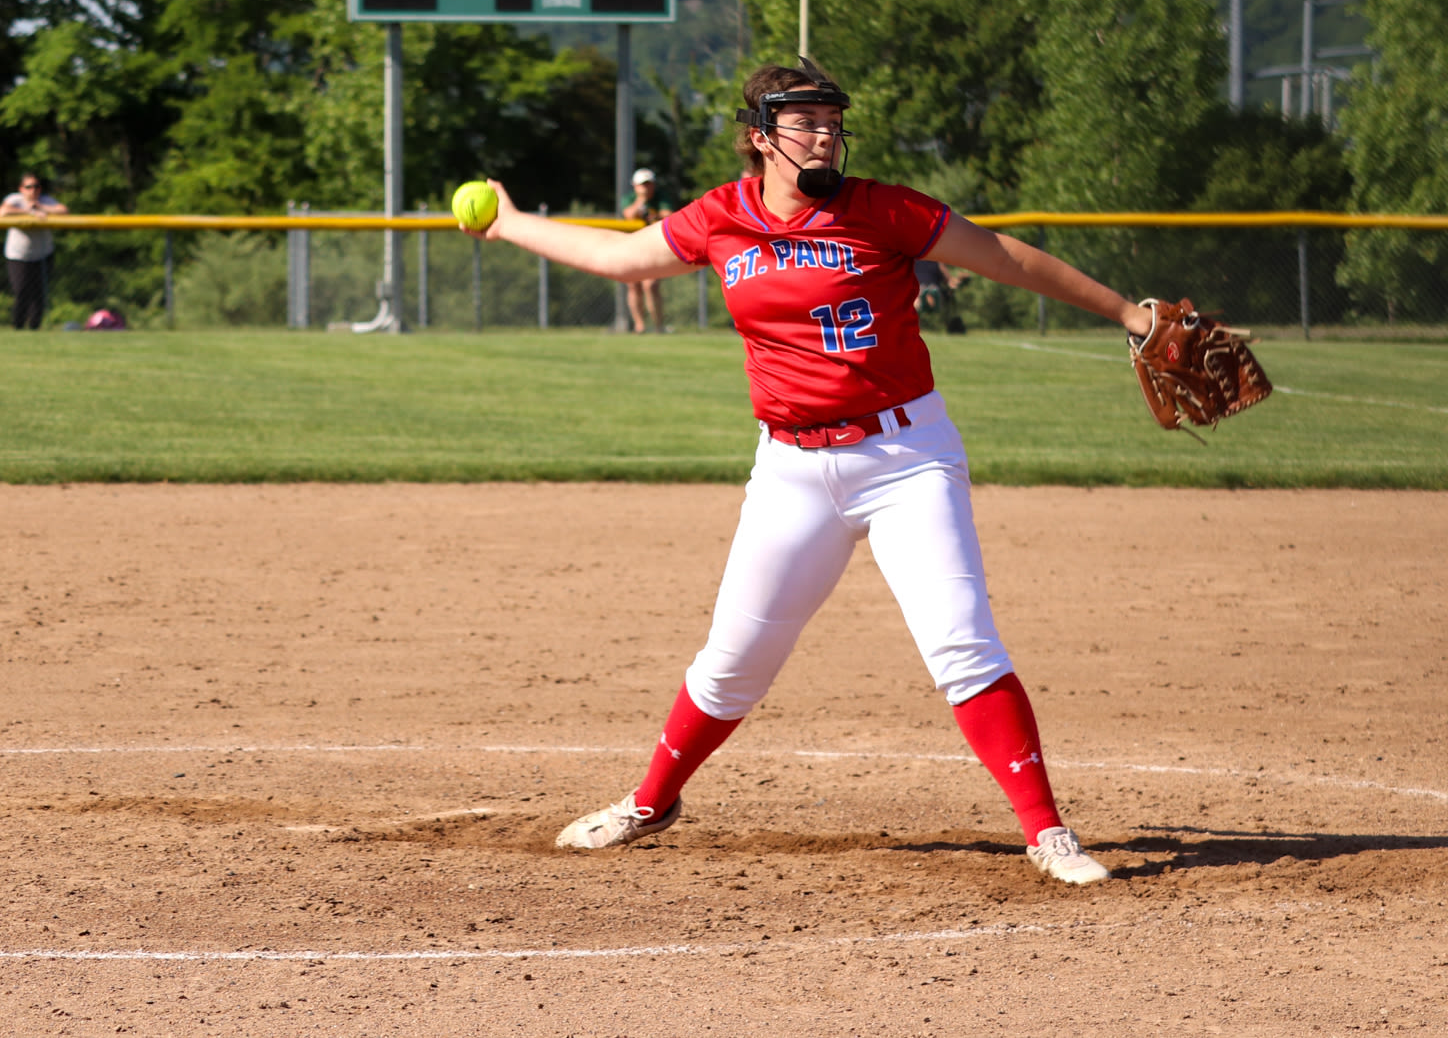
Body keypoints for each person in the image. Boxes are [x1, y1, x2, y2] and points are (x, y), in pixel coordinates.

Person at [461, 58, 1156, 885]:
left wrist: (1126, 311)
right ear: (762, 138)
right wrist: (508, 223)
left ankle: (1047, 834)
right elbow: (624, 260)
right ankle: (651, 800)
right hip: (791, 467)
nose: (825, 133)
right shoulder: (722, 218)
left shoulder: (885, 209)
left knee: (961, 643)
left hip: (906, 458)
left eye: (832, 120)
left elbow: (1005, 257)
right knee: (731, 662)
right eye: (805, 122)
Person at [2, 173, 68, 331]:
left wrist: (40, 207)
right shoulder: (14, 199)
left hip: (42, 255)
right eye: (29, 186)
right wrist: (29, 211)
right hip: (18, 255)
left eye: (36, 186)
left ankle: (34, 328)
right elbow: (3, 211)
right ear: (21, 189)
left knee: (39, 294)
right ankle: (17, 326)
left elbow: (64, 211)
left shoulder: (45, 201)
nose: (33, 190)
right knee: (21, 291)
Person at [619, 167, 676, 333]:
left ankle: (658, 326)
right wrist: (641, 200)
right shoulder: (630, 198)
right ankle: (640, 326)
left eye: (649, 184)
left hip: (653, 246)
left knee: (651, 285)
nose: (646, 187)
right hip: (633, 245)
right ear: (635, 186)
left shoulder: (661, 197)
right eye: (642, 185)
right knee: (633, 284)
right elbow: (629, 214)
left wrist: (656, 215)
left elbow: (668, 214)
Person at [913, 256, 968, 334]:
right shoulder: (915, 260)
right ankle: (925, 299)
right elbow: (951, 282)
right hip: (918, 290)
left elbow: (951, 282)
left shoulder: (937, 263)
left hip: (929, 290)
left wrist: (960, 279)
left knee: (928, 292)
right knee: (920, 293)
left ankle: (926, 299)